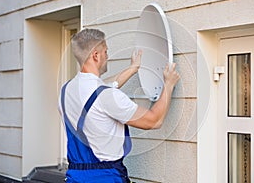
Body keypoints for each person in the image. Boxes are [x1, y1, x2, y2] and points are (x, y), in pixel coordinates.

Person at [58, 28, 180, 183]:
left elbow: (102, 89)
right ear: (96, 55)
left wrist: (132, 69)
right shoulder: (106, 96)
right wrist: (168, 85)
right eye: (106, 52)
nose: (107, 57)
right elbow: (154, 120)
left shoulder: (66, 90)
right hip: (106, 177)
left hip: (75, 177)